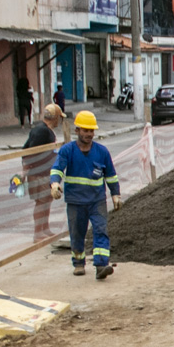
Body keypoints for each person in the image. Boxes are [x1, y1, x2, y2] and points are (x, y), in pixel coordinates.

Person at [49, 111, 120, 278]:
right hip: (75, 201)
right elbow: (57, 168)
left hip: (97, 200)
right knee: (77, 233)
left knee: (100, 230)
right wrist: (55, 183)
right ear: (77, 131)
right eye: (86, 130)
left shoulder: (102, 152)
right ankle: (79, 263)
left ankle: (101, 265)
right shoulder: (67, 150)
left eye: (91, 131)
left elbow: (111, 175)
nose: (89, 134)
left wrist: (115, 194)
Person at [22, 104, 65, 237]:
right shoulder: (41, 131)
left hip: (46, 172)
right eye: (59, 118)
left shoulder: (46, 130)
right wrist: (25, 170)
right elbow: (29, 152)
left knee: (47, 201)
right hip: (38, 173)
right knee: (41, 202)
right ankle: (38, 233)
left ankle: (45, 228)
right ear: (55, 118)